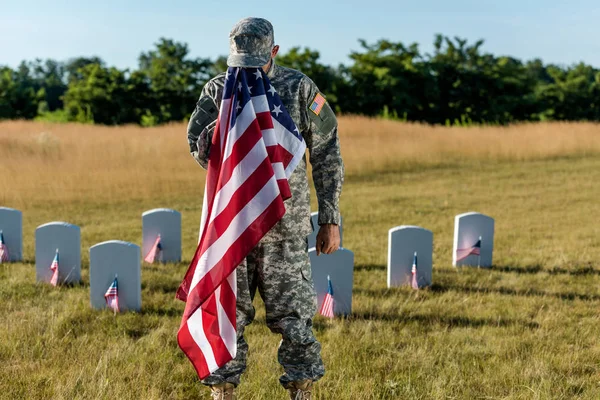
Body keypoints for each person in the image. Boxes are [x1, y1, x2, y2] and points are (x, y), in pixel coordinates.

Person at [186, 17, 344, 400]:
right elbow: (198, 147)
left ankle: (301, 389)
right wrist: (228, 119)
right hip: (234, 224)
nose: (250, 70)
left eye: (257, 62)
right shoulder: (219, 89)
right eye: (243, 63)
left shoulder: (300, 88)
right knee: (227, 312)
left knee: (295, 316)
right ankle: (224, 390)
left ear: (274, 52)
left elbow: (326, 154)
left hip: (285, 228)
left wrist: (330, 219)